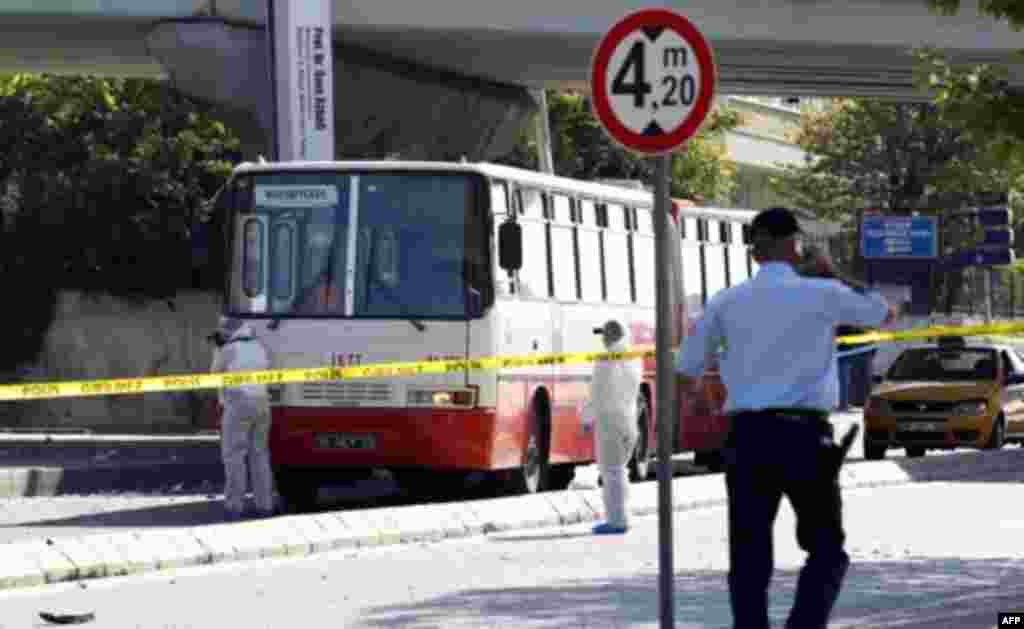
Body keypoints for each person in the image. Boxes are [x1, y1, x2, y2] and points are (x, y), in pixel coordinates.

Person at [675, 207, 895, 629]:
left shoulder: (726, 301)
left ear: (756, 252)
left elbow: (686, 370)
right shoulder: (821, 293)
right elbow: (882, 312)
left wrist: (703, 405)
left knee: (749, 556)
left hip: (748, 438)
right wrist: (832, 274)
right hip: (805, 438)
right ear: (793, 244)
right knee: (827, 549)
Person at [209, 316, 276, 521]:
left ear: (229, 331)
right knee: (260, 455)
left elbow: (213, 376)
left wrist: (217, 350)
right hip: (262, 404)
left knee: (234, 455)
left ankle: (234, 506)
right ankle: (265, 505)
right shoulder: (259, 347)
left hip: (238, 404)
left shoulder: (230, 349)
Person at [584, 319, 643, 535]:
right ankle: (622, 516)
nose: (602, 339)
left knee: (611, 472)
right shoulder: (634, 358)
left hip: (609, 421)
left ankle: (617, 520)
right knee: (620, 471)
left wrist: (586, 418)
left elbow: (598, 392)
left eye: (605, 334)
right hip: (629, 419)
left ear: (611, 336)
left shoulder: (605, 359)